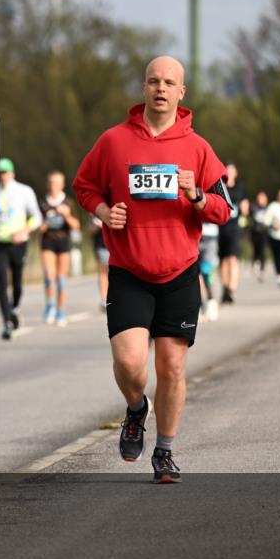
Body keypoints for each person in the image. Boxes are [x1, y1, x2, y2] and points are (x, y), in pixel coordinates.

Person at [73, 56, 232, 484]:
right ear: (143, 88)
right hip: (128, 270)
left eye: (170, 83)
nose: (160, 89)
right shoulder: (113, 141)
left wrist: (196, 194)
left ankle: (164, 450)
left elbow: (224, 210)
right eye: (153, 81)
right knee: (129, 365)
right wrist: (105, 211)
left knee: (172, 368)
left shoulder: (198, 148)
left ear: (182, 93)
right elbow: (83, 186)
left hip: (179, 272)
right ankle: (135, 408)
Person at [0, 157, 43, 339]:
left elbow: (36, 217)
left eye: (5, 173)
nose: (2, 176)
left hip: (18, 242)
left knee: (16, 282)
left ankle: (15, 307)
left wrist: (25, 230)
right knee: (1, 282)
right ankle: (7, 322)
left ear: (12, 173)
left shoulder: (24, 191)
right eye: (0, 173)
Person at [40, 171, 80, 326]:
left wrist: (66, 216)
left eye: (57, 183)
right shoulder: (43, 202)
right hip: (48, 242)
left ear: (62, 185)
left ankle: (61, 311)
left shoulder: (68, 202)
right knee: (50, 276)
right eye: (51, 183)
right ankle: (50, 304)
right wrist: (43, 224)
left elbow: (76, 226)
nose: (54, 186)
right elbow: (37, 223)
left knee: (61, 279)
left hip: (64, 242)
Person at [218, 162, 246, 304]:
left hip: (235, 228)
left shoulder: (240, 187)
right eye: (227, 171)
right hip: (221, 227)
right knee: (223, 260)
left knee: (233, 259)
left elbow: (245, 206)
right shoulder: (219, 187)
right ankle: (225, 289)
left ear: (236, 173)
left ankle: (232, 290)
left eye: (232, 170)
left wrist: (245, 208)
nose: (229, 173)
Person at [197, 221, 220, 321]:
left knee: (206, 272)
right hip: (194, 235)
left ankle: (211, 303)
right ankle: (199, 306)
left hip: (210, 237)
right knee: (194, 274)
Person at [89, 214, 110, 310]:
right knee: (103, 273)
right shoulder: (94, 211)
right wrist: (97, 226)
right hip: (101, 246)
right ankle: (104, 300)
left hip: (116, 246)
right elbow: (89, 232)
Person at [249, 191, 270, 283]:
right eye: (259, 198)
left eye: (263, 198)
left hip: (264, 232)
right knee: (256, 250)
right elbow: (249, 218)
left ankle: (262, 270)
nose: (261, 200)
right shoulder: (253, 208)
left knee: (262, 251)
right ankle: (255, 261)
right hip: (255, 232)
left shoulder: (269, 209)